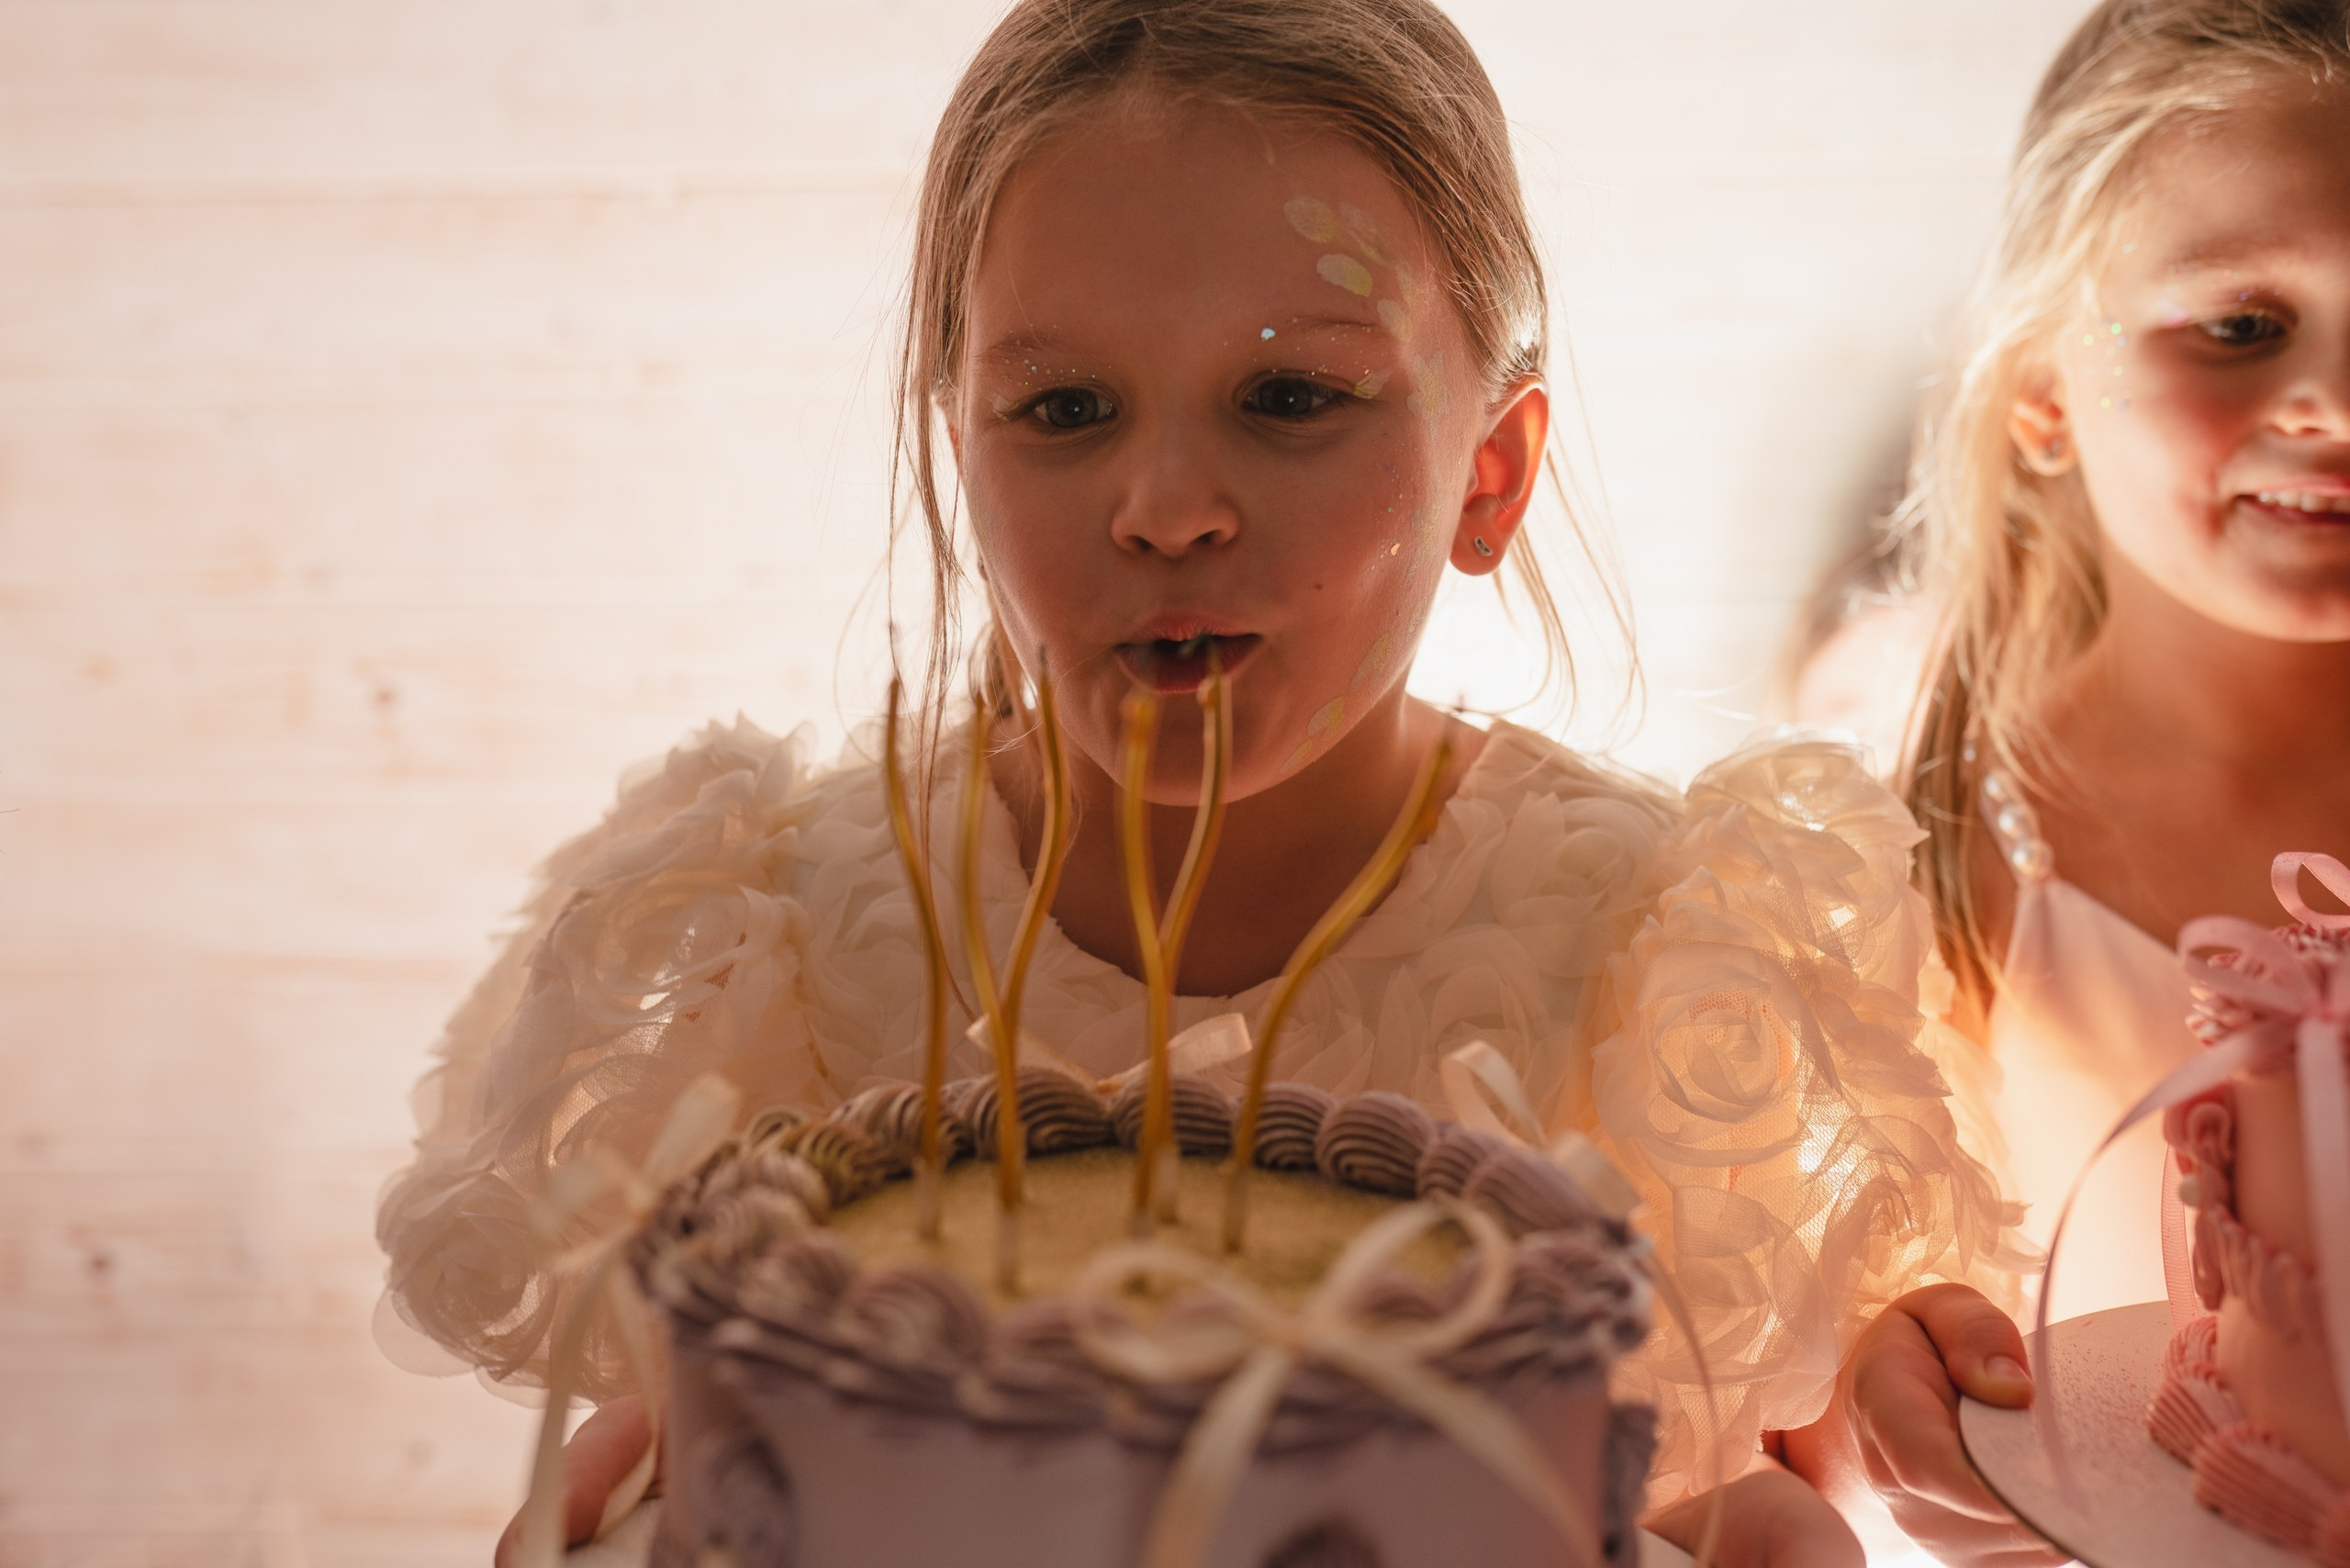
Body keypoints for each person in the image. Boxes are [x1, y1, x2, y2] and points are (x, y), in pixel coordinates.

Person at [373, 2, 2017, 1562]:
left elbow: (1758, 1479)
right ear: (965, 448)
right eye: (1065, 407)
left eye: (1293, 396)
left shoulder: (1661, 955)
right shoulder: (783, 944)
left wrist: (1894, 1431)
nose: (1165, 507)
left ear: (1491, 472)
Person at [1783, 3, 2350, 1562]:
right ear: (2039, 388)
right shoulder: (1913, 864)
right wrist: (1873, 1401)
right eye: (2241, 325)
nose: (2341, 401)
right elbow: (1798, 1394)